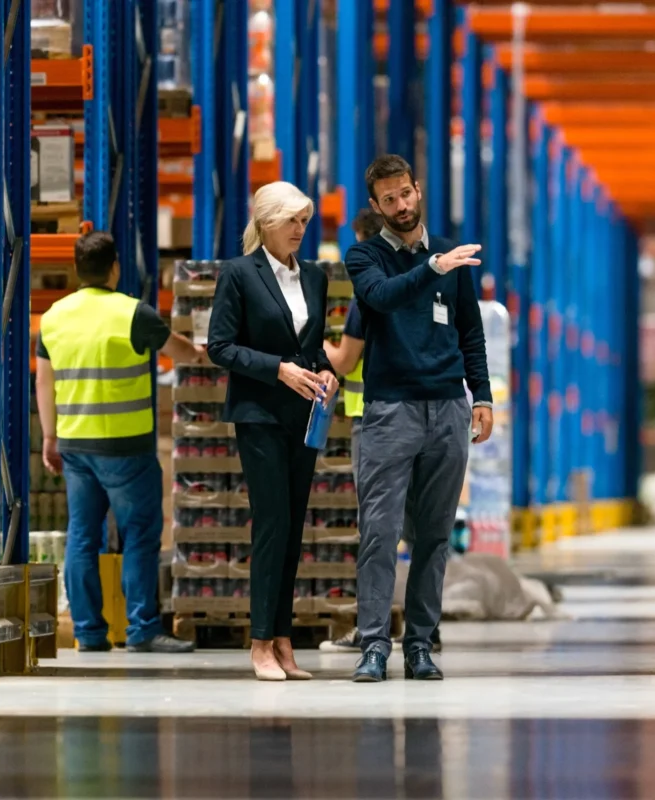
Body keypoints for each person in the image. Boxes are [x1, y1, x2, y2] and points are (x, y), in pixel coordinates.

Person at [345, 155, 493, 682]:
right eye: (389, 199)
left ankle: (420, 645)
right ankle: (373, 645)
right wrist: (432, 268)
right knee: (379, 532)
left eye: (405, 193)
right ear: (376, 205)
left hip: (448, 408)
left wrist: (482, 395)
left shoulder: (449, 255)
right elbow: (382, 297)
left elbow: (470, 331)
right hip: (391, 411)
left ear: (418, 189)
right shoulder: (365, 257)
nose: (401, 206)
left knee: (433, 536)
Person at [36, 231, 204, 654]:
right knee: (139, 536)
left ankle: (89, 632)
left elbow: (44, 381)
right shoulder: (133, 313)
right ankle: (142, 628)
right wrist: (202, 352)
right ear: (114, 268)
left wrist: (49, 436)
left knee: (82, 537)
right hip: (126, 447)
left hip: (76, 446)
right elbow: (180, 352)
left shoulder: (53, 317)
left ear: (78, 269)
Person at [207, 181, 339, 681]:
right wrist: (277, 369)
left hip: (304, 416)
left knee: (293, 528)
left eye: (304, 221)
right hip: (259, 414)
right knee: (272, 524)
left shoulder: (315, 277)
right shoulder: (239, 274)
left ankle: (283, 641)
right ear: (265, 224)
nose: (300, 230)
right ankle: (260, 642)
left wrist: (326, 370)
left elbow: (313, 346)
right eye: (291, 221)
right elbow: (220, 346)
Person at [320, 207, 442, 655]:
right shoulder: (423, 287)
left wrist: (312, 339)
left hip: (374, 420)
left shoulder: (367, 296)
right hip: (422, 417)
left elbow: (345, 361)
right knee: (418, 527)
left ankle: (371, 629)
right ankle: (423, 628)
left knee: (376, 530)